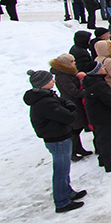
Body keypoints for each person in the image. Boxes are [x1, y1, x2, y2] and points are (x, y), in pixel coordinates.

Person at [25, 69, 86, 213]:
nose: (53, 81)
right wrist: (71, 109)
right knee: (61, 171)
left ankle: (68, 192)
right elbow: (67, 116)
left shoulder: (46, 96)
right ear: (43, 84)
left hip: (59, 136)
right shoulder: (44, 102)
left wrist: (68, 105)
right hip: (57, 139)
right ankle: (62, 202)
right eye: (50, 80)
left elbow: (63, 102)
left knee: (64, 169)